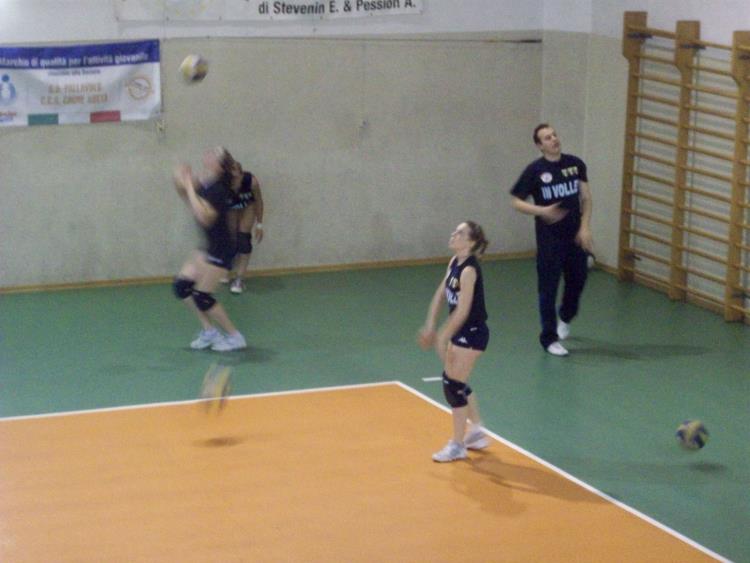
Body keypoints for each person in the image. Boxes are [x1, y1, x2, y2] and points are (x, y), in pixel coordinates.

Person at [510, 124, 593, 357]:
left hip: (575, 238)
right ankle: (548, 339)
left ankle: (565, 316)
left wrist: (585, 227)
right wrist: (542, 211)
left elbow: (586, 198)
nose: (554, 139)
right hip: (550, 242)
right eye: (547, 138)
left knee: (577, 282)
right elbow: (516, 201)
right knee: (548, 289)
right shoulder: (535, 170)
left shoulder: (575, 164)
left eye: (554, 135)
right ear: (540, 145)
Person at [419, 221, 491, 463]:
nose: (454, 234)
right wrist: (430, 324)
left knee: (453, 385)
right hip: (460, 331)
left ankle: (458, 445)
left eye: (459, 233)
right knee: (455, 381)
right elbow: (440, 295)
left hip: (472, 332)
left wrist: (443, 334)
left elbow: (463, 310)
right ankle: (476, 431)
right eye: (454, 231)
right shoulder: (454, 263)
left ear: (470, 242)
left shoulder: (469, 270)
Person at [172, 146, 247, 352]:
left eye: (215, 153)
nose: (209, 152)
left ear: (220, 166)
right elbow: (184, 192)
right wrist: (181, 177)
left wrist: (189, 186)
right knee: (182, 286)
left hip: (221, 250)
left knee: (202, 296)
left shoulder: (219, 190)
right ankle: (209, 332)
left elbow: (205, 218)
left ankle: (235, 337)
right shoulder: (206, 183)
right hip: (209, 247)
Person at [226, 161, 264, 294]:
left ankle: (239, 279)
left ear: (241, 174)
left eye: (236, 175)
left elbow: (259, 201)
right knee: (231, 239)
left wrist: (259, 224)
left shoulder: (251, 182)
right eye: (230, 176)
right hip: (231, 208)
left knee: (243, 240)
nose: (234, 178)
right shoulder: (222, 184)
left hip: (247, 206)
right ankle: (226, 268)